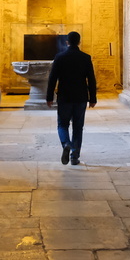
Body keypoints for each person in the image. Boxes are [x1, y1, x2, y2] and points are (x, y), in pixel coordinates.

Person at [46, 31, 97, 165]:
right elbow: (91, 79)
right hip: (80, 97)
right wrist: (93, 98)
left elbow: (52, 79)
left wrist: (49, 97)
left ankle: (66, 144)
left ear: (67, 42)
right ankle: (74, 157)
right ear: (79, 42)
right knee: (78, 127)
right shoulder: (86, 58)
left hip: (64, 97)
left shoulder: (60, 57)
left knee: (62, 125)